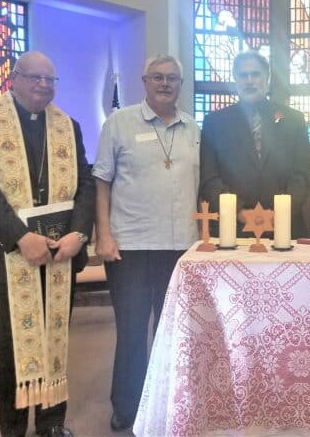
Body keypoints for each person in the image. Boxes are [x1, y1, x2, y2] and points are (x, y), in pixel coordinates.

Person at [0, 51, 95, 437]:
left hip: (59, 253)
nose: (42, 85)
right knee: (10, 350)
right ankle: (14, 429)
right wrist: (20, 237)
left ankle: (52, 423)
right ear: (13, 79)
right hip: (6, 255)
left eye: (50, 80)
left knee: (55, 339)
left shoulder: (68, 126)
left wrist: (79, 233)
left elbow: (84, 184)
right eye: (34, 77)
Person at [93, 55, 200, 431]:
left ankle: (170, 403)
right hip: (131, 247)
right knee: (133, 331)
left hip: (182, 248)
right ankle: (128, 406)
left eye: (172, 78)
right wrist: (103, 234)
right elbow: (102, 182)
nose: (165, 83)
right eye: (157, 77)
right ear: (144, 80)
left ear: (181, 84)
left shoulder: (193, 128)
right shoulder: (119, 123)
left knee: (173, 332)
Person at [199, 50, 310, 237]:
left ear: (267, 79)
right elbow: (210, 179)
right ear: (235, 81)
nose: (249, 81)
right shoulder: (214, 122)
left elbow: (301, 176)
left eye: (256, 74)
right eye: (243, 75)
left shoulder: (294, 120)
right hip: (233, 228)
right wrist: (240, 212)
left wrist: (279, 214)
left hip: (284, 227)